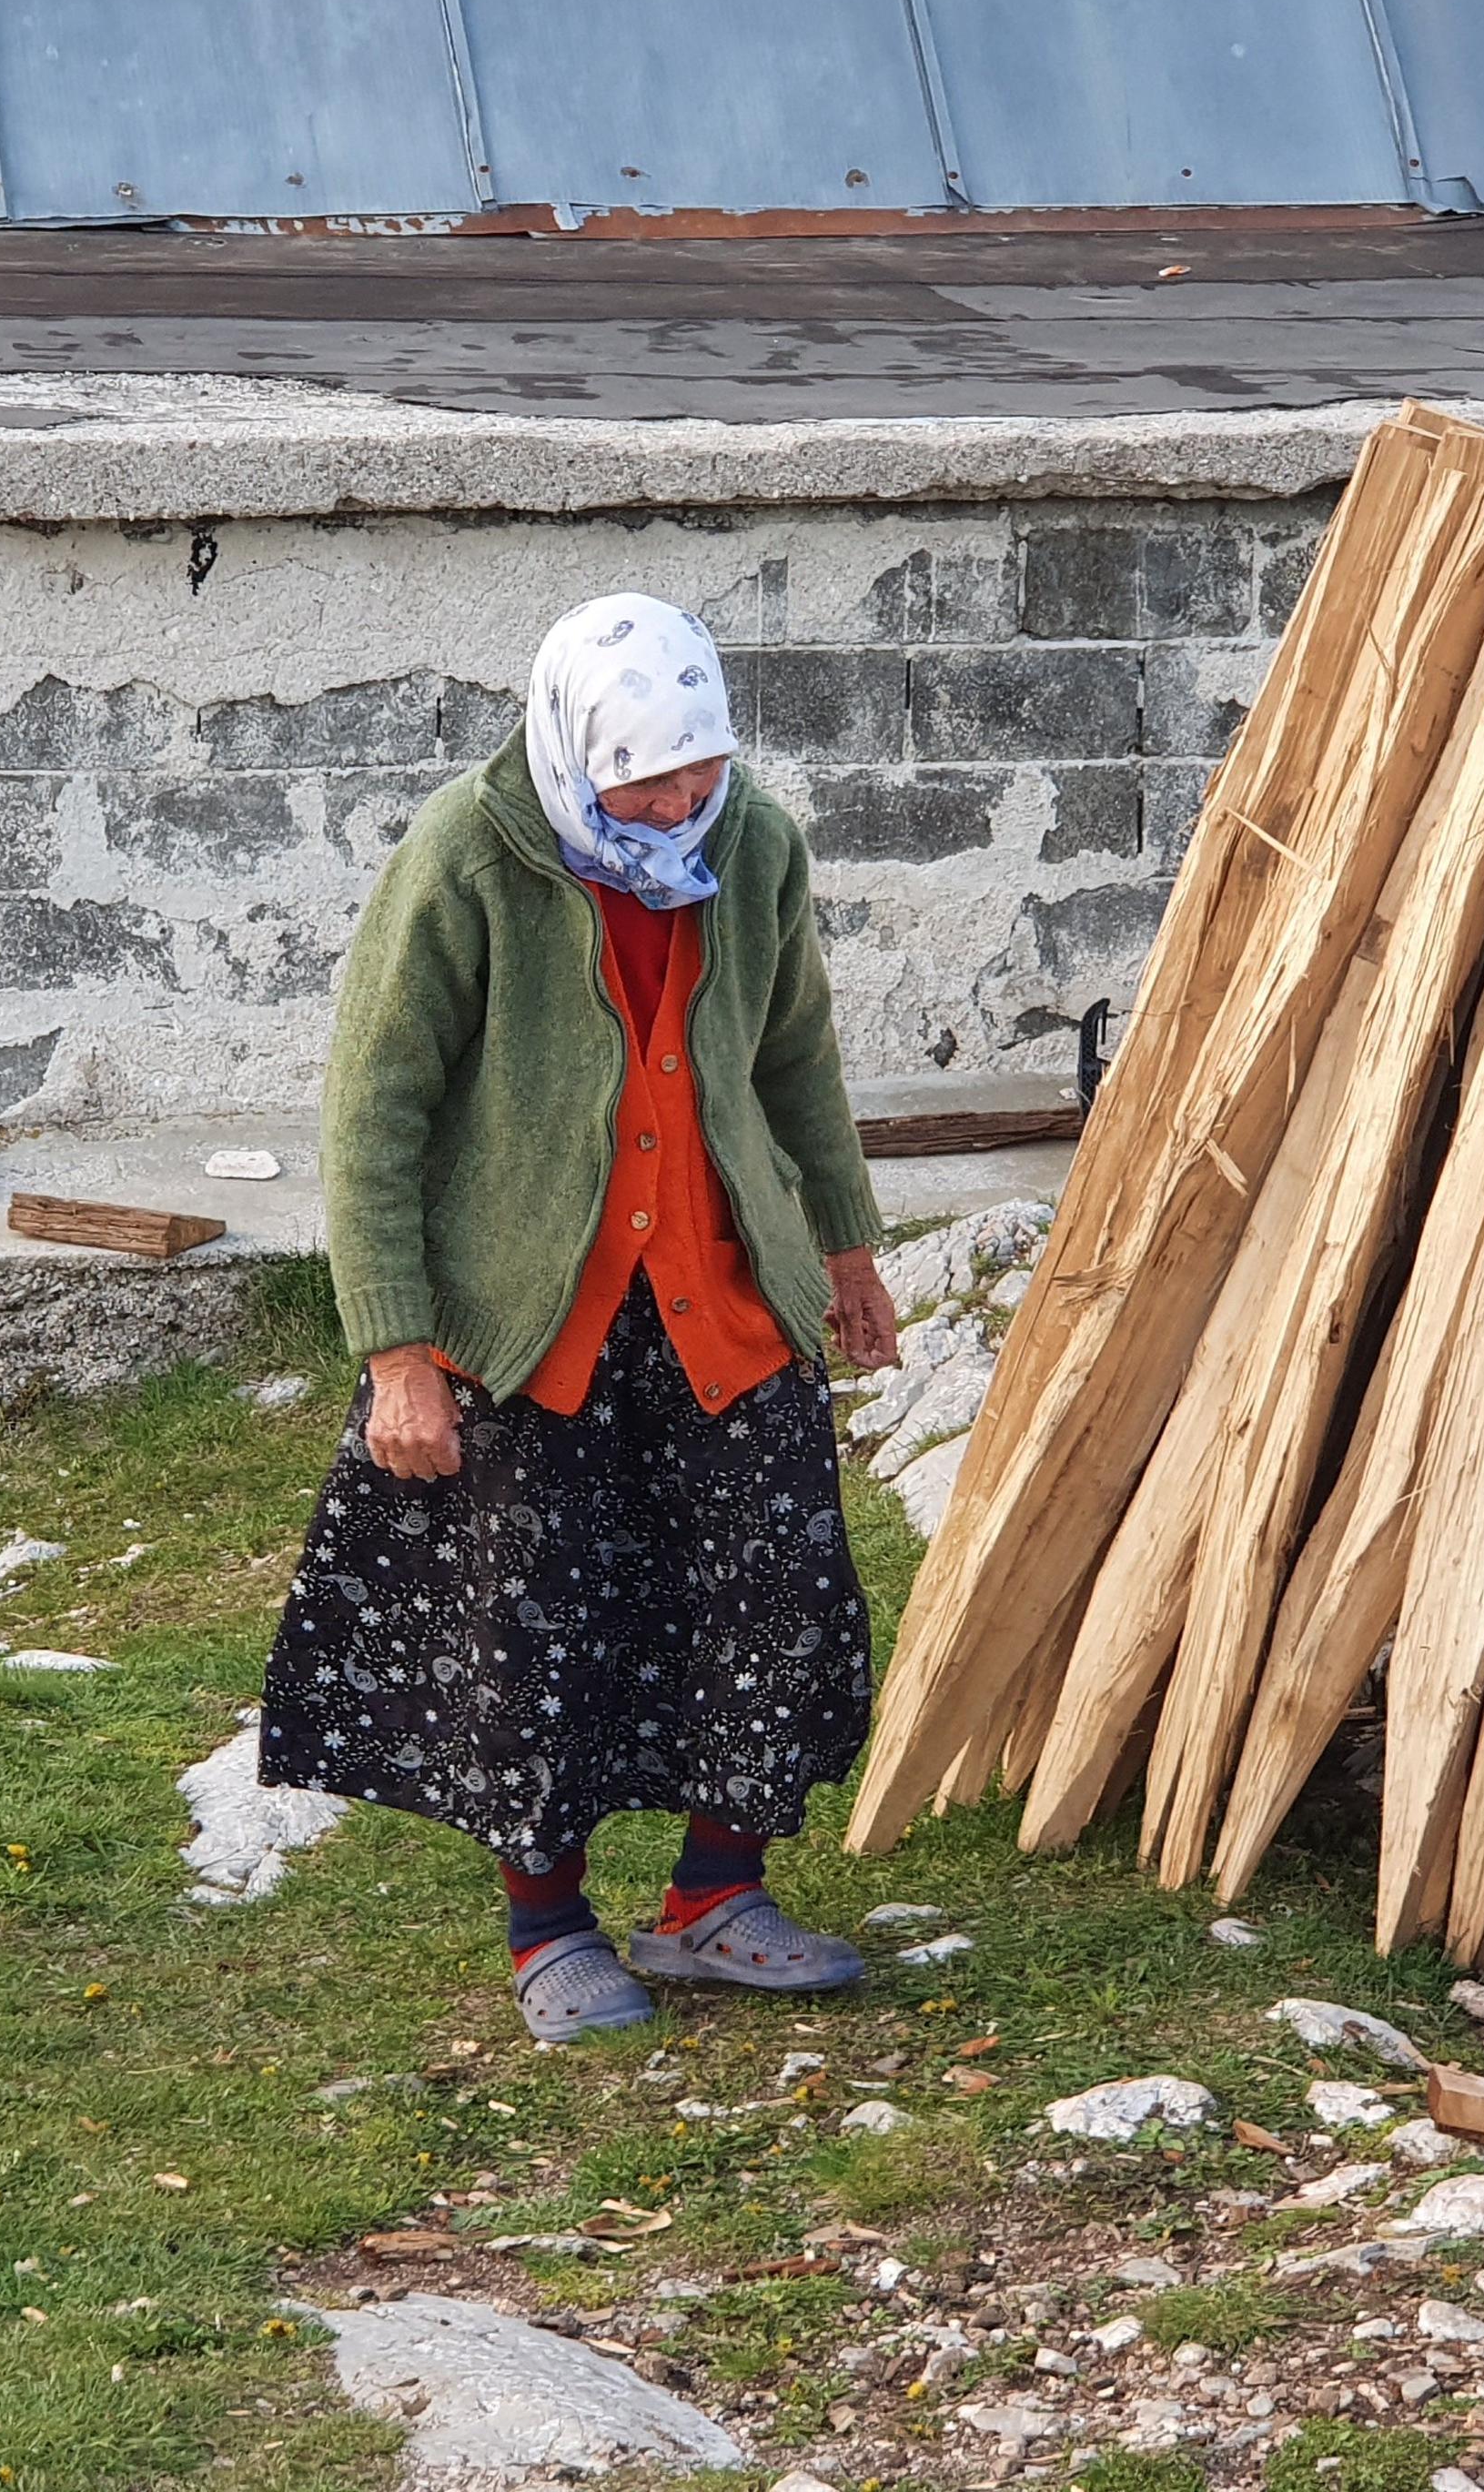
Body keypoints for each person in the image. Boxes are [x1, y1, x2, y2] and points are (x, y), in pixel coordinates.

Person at [260, 592, 904, 2043]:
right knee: (534, 1627)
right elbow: (373, 1117)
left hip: (720, 1299)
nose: (679, 803)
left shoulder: (755, 844)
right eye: (646, 781)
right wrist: (397, 1353)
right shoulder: (467, 859)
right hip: (532, 1316)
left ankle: (712, 1902)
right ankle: (547, 1927)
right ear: (572, 752)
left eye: (701, 770)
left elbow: (796, 1055)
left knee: (772, 1597)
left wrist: (847, 1246)